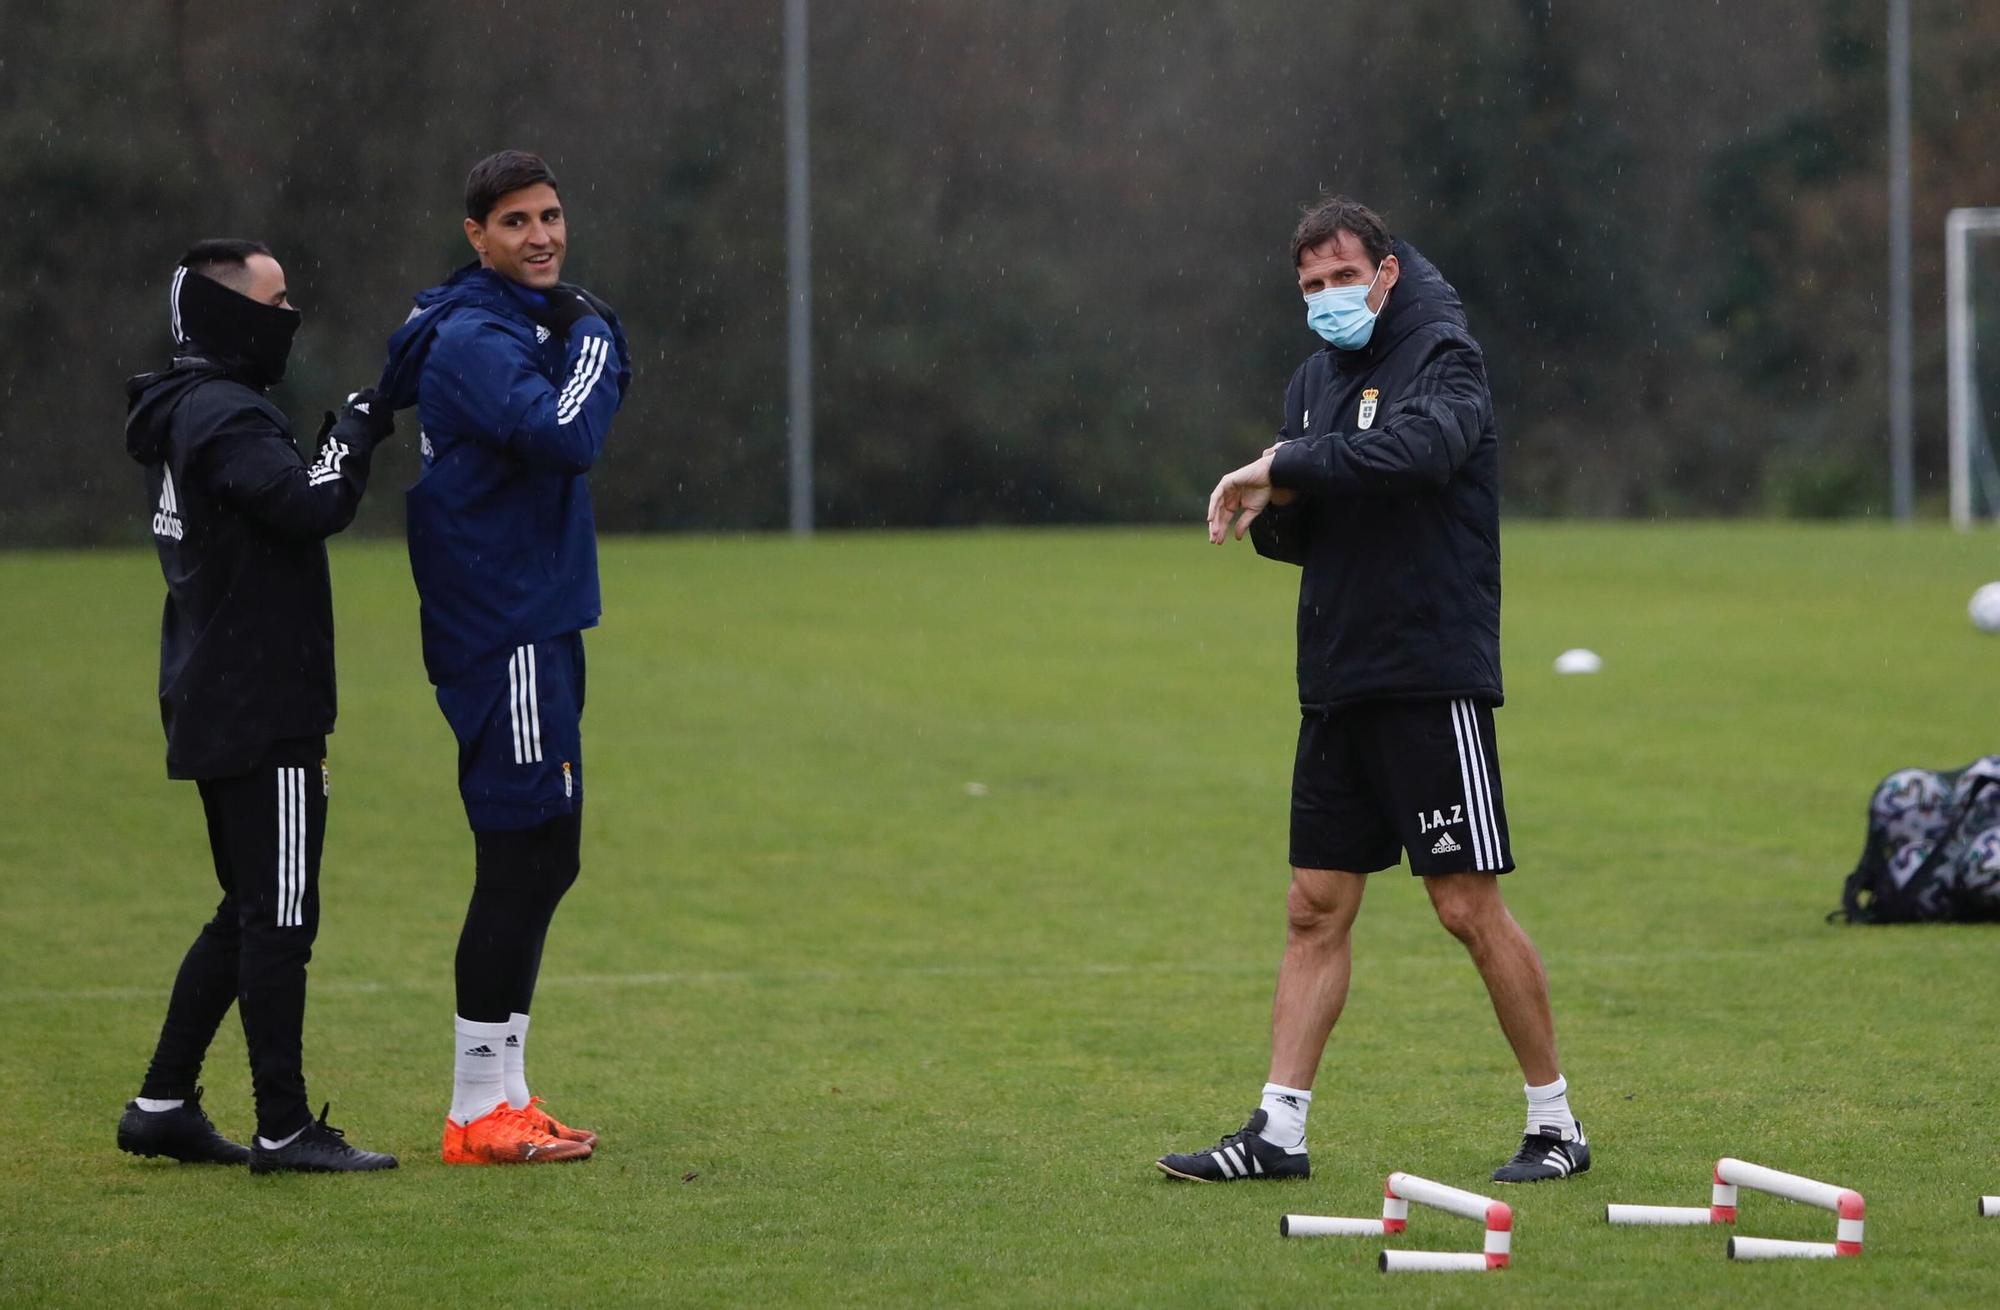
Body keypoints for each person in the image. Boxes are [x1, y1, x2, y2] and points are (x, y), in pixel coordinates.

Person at [1157, 198, 1589, 1186]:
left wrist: (1288, 464)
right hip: (1336, 677)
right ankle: (1277, 1130)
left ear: (1384, 273)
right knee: (1312, 904)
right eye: (1308, 286)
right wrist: (1273, 505)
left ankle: (1555, 1121)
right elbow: (1309, 517)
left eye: (1341, 277)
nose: (1326, 298)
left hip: (1427, 671)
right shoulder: (1312, 379)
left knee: (1462, 902)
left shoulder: (1445, 358)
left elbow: (1415, 455)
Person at [119, 239, 398, 1174]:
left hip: (214, 692)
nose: (290, 318)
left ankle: (161, 1103)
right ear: (233, 315)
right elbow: (313, 504)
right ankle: (283, 1126)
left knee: (246, 908)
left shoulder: (187, 406)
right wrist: (358, 426)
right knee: (281, 917)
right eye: (277, 302)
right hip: (261, 705)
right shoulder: (225, 414)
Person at [378, 150, 630, 1166]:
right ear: (475, 234)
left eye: (552, 216)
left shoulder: (507, 324)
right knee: (525, 851)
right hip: (508, 625)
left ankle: (506, 1092)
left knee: (544, 852)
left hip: (534, 618)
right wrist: (599, 334)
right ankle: (476, 1106)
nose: (542, 236)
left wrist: (577, 329)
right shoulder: (478, 340)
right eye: (517, 221)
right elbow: (567, 432)